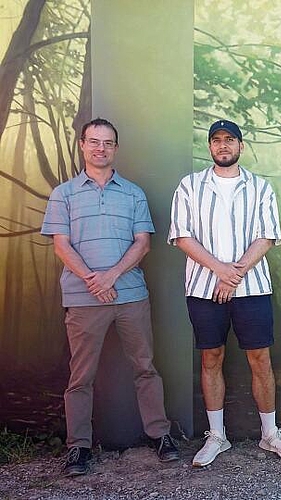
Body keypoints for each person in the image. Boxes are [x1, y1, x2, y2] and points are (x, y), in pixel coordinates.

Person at [41, 118, 179, 477]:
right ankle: (78, 449)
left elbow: (143, 243)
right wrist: (93, 280)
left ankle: (161, 436)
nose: (100, 148)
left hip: (130, 295)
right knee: (81, 376)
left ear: (116, 148)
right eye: (94, 142)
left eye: (108, 142)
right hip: (84, 298)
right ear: (83, 145)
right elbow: (61, 244)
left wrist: (111, 276)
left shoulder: (133, 193)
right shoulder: (64, 194)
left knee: (145, 367)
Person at [168, 119, 281, 466]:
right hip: (204, 288)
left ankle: (270, 435)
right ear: (209, 147)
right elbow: (182, 236)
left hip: (252, 288)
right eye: (216, 140)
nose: (223, 145)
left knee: (260, 360)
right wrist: (220, 271)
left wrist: (234, 272)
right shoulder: (189, 186)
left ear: (241, 146)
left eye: (230, 140)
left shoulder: (260, 187)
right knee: (211, 358)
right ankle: (217, 437)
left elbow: (268, 235)